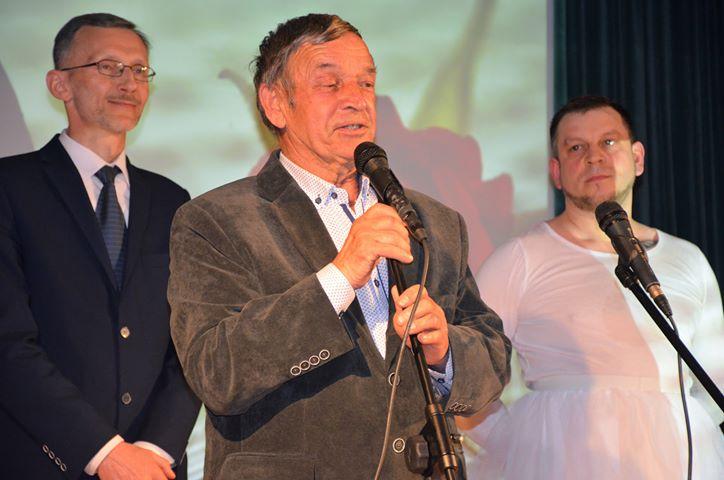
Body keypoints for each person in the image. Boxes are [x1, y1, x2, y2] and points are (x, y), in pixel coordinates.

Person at [167, 13, 510, 479]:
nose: (356, 99)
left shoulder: (435, 222)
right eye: (330, 84)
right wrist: (339, 276)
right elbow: (217, 372)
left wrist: (444, 352)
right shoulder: (215, 221)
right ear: (275, 103)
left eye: (366, 83)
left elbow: (493, 355)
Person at [463, 95, 724, 479]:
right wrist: (525, 442)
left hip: (679, 462)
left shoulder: (688, 259)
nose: (594, 157)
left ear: (637, 158)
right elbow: (467, 380)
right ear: (556, 171)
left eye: (608, 142)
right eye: (576, 148)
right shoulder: (518, 259)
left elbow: (714, 385)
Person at [0, 13, 200, 480]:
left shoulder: (173, 200)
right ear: (59, 84)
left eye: (139, 70)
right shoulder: (11, 187)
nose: (128, 83)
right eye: (108, 67)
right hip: (42, 461)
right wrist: (104, 452)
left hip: (155, 467)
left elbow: (190, 342)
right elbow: (8, 343)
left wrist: (153, 450)